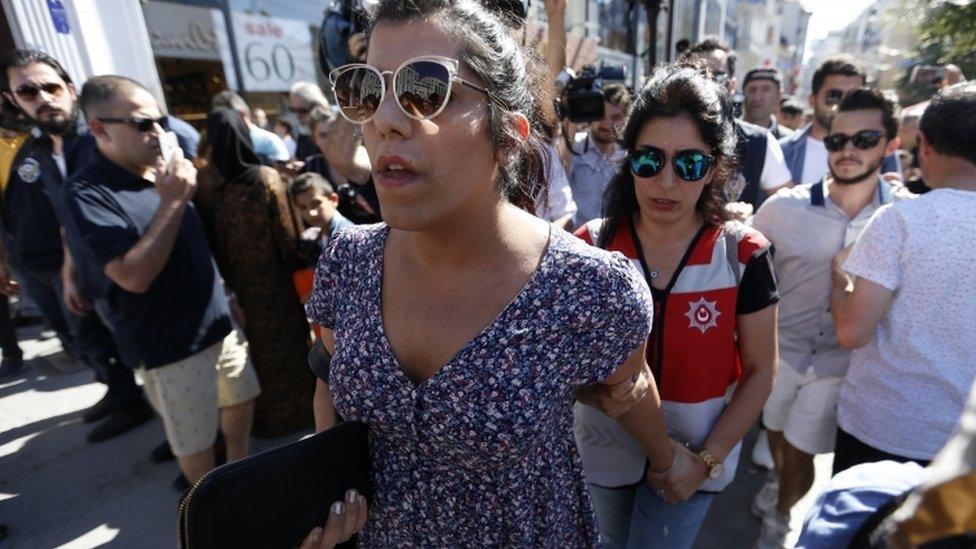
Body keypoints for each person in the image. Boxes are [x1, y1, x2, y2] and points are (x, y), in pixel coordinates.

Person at [299, 1, 689, 545]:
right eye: (367, 90)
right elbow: (329, 381)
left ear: (508, 136)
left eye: (426, 90)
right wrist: (329, 495)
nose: (385, 121)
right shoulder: (346, 261)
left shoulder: (592, 290)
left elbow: (629, 389)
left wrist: (671, 463)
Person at [574, 64, 779, 549]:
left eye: (689, 163)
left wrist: (706, 461)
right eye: (650, 160)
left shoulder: (743, 255)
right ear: (629, 161)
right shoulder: (591, 245)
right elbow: (564, 363)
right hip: (604, 453)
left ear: (716, 167)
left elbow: (761, 372)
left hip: (695, 460)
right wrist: (589, 391)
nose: (666, 181)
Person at [64, 75, 260, 485]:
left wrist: (227, 293)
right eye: (142, 124)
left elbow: (196, 242)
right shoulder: (89, 191)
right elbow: (132, 276)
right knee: (194, 442)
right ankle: (209, 513)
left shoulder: (162, 171)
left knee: (241, 399)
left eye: (160, 121)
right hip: (171, 347)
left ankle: (240, 479)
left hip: (219, 325)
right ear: (99, 128)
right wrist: (173, 201)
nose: (158, 132)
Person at [750, 88, 913, 549]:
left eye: (864, 139)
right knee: (779, 436)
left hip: (843, 363)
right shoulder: (784, 209)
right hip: (783, 350)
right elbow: (748, 271)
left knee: (803, 453)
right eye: (838, 140)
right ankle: (779, 490)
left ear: (890, 145)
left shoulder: (903, 216)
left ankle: (782, 516)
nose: (848, 151)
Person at [0, 49, 153, 441]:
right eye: (28, 92)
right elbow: (68, 220)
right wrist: (69, 273)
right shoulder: (40, 150)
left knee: (147, 352)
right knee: (89, 339)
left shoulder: (102, 137)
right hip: (83, 268)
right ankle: (122, 396)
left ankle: (173, 431)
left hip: (129, 266)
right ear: (14, 100)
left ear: (69, 89)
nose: (43, 98)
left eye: (50, 87)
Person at [828, 82, 976, 476]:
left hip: (880, 429)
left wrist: (839, 278)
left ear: (923, 144)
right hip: (963, 443)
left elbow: (852, 332)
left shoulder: (900, 220)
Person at [194, 107, 314, 437]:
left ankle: (262, 420)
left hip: (235, 286)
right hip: (275, 284)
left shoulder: (204, 181)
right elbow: (288, 236)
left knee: (252, 352)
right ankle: (298, 415)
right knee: (288, 350)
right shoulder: (264, 178)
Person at [680, 39, 792, 210]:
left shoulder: (760, 142)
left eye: (717, 76)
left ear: (732, 85)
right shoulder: (656, 134)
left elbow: (789, 210)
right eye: (697, 74)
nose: (705, 83)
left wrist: (750, 222)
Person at [780, 56, 901, 186]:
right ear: (812, 100)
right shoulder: (782, 151)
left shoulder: (881, 149)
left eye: (854, 96)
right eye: (834, 96)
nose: (843, 104)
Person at [565, 83, 631, 227]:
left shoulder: (629, 156)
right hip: (576, 238)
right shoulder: (574, 147)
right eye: (600, 115)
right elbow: (559, 180)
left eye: (615, 117)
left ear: (625, 118)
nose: (606, 124)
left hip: (612, 242)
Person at [300, 106, 380, 224]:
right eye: (323, 135)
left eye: (335, 134)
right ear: (314, 139)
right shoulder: (311, 168)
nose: (332, 141)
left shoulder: (369, 157)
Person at [212, 91, 290, 163]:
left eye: (225, 116)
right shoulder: (224, 145)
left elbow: (284, 170)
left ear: (242, 114)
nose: (221, 121)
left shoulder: (268, 140)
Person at [742, 68, 793, 139]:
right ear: (744, 93)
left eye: (766, 90)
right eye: (752, 90)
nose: (757, 98)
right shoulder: (727, 136)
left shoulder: (790, 143)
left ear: (779, 96)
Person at [289, 81, 330, 161]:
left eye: (302, 110)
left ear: (319, 106)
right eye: (293, 110)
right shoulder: (303, 133)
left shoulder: (334, 130)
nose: (297, 115)